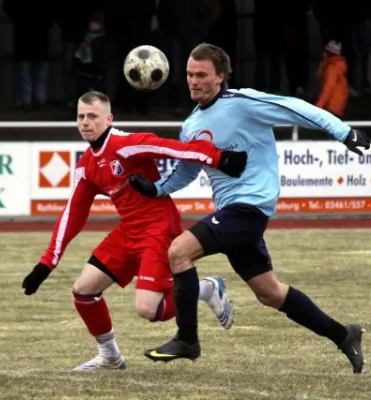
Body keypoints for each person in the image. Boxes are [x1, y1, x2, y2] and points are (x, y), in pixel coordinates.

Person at [129, 43, 371, 374]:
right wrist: (157, 188)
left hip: (249, 208)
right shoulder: (191, 125)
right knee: (271, 294)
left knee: (178, 252)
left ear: (221, 77)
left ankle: (187, 339)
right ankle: (345, 335)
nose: (193, 81)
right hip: (233, 215)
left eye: (201, 75)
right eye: (189, 74)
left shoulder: (243, 103)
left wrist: (343, 132)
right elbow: (187, 169)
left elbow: (295, 108)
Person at [21, 90, 245, 371]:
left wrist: (218, 157)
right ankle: (110, 357)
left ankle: (206, 288)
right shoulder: (86, 166)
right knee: (83, 290)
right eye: (81, 117)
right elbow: (72, 215)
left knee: (149, 310)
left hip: (159, 228)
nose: (86, 122)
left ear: (108, 119)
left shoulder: (126, 144)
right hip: (128, 231)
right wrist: (47, 263)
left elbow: (171, 148)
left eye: (93, 116)